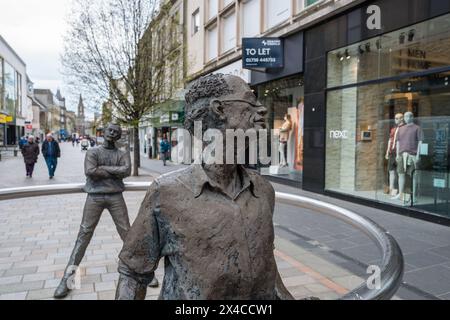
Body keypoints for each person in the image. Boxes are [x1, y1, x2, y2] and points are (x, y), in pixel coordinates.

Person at [115, 74, 295, 300]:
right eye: (251, 101)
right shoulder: (166, 193)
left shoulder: (263, 190)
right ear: (219, 109)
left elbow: (265, 264)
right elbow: (132, 274)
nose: (262, 110)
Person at [54, 123, 133, 299]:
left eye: (116, 132)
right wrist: (114, 172)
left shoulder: (122, 153)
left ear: (119, 136)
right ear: (103, 132)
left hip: (115, 197)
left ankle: (140, 270)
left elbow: (126, 170)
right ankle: (67, 279)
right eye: (110, 130)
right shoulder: (93, 152)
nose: (112, 133)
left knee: (127, 233)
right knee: (84, 235)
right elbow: (90, 172)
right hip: (94, 197)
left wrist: (102, 169)